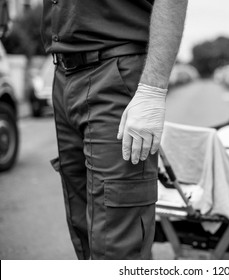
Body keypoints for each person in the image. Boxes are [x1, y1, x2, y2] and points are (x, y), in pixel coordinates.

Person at [41, 0, 188, 260]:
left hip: (115, 71)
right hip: (64, 73)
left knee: (117, 243)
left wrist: (153, 89)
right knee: (84, 227)